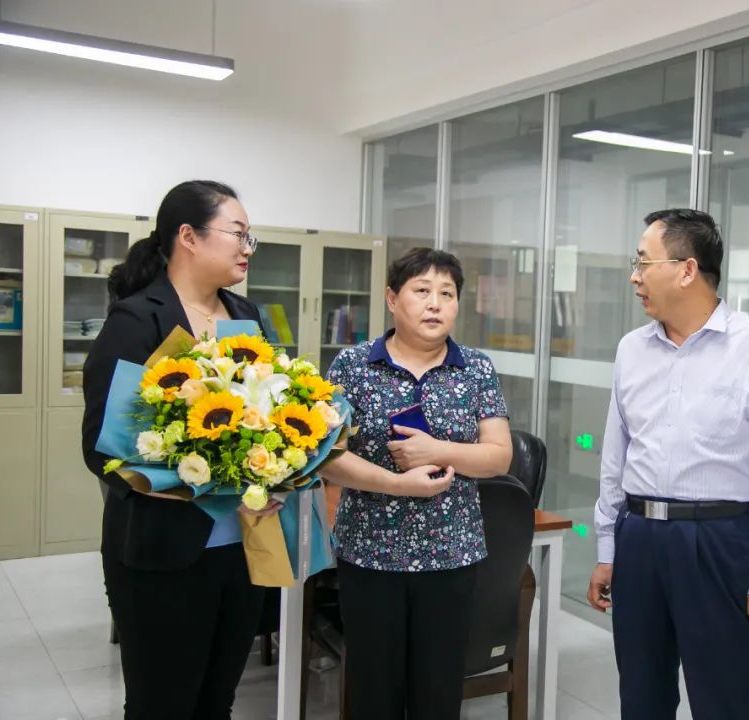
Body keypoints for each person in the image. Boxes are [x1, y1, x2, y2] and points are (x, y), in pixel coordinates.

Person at [586, 209, 749, 720]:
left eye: (643, 262)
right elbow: (615, 458)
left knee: (723, 700)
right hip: (639, 538)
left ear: (687, 269)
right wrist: (608, 547)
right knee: (641, 696)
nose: (634, 277)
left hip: (719, 542)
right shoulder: (631, 349)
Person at [82, 180, 279, 720]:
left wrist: (279, 469)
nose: (247, 248)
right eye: (238, 234)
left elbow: (274, 409)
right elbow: (101, 446)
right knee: (162, 704)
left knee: (218, 701)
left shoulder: (245, 313)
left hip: (241, 546)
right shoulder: (137, 318)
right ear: (188, 236)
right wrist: (198, 480)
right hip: (162, 552)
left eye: (250, 237)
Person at [321, 247, 513, 720]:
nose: (435, 304)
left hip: (451, 554)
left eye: (447, 294)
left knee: (438, 693)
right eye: (422, 291)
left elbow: (498, 456)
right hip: (370, 552)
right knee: (373, 693)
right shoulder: (352, 365)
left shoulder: (476, 369)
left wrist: (438, 450)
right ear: (392, 298)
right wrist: (395, 483)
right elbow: (328, 458)